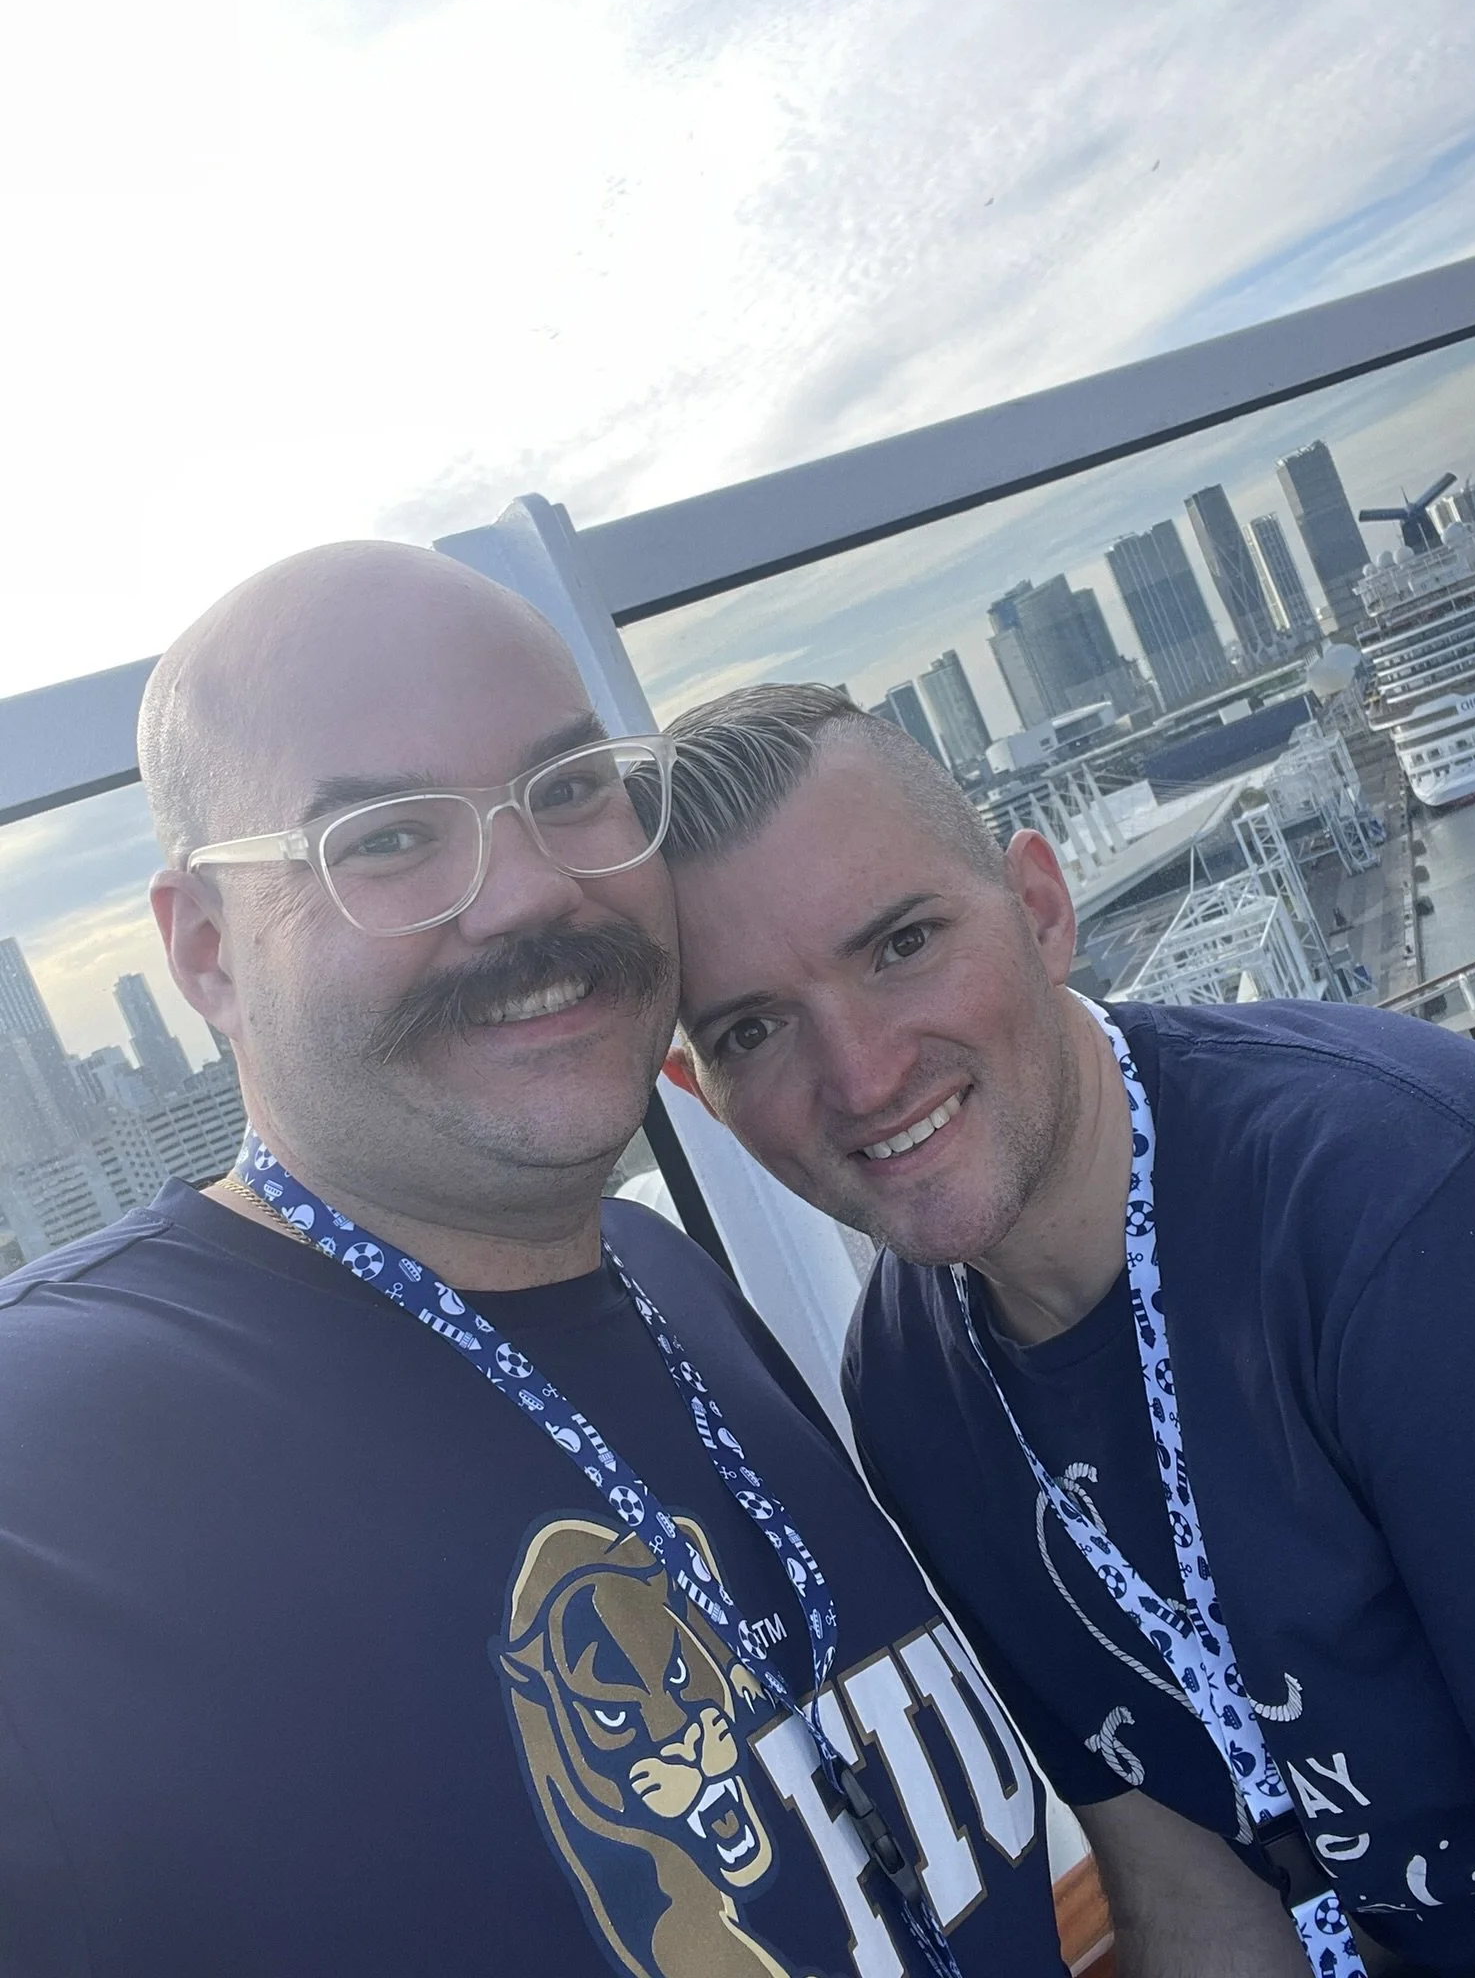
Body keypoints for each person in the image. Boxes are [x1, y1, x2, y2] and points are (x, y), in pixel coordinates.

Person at [0, 552, 1069, 1978]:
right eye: (385, 838)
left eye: (570, 792)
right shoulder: (53, 1468)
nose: (524, 896)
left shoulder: (667, 1279)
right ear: (206, 951)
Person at [658, 681, 1475, 1978]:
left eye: (900, 944)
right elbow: (1182, 1882)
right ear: (701, 1095)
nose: (862, 1075)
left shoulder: (1408, 1213)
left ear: (1043, 909)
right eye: (751, 1028)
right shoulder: (909, 1392)